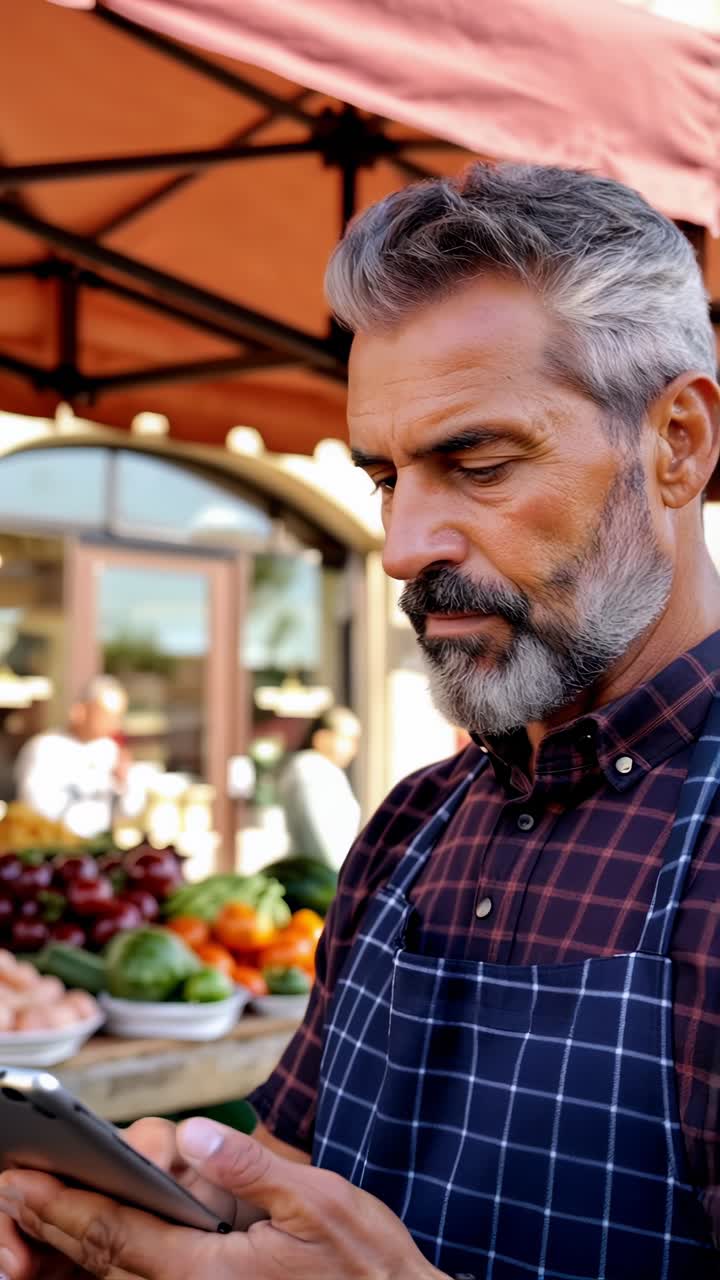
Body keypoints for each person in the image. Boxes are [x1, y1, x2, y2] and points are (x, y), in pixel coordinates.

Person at [2, 162, 720, 1279]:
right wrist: (158, 1215)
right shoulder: (410, 826)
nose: (401, 545)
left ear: (676, 443)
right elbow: (295, 1175)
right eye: (384, 476)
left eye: (474, 461)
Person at [14, 675, 137, 838]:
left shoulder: (109, 750)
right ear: (80, 711)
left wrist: (124, 784)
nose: (114, 724)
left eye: (117, 716)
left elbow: (128, 813)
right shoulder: (45, 748)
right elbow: (33, 809)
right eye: (106, 715)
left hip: (99, 847)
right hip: (55, 849)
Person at [280, 705, 361, 868]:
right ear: (322, 738)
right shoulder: (312, 769)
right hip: (318, 875)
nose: (353, 749)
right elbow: (319, 834)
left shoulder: (317, 768)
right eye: (348, 739)